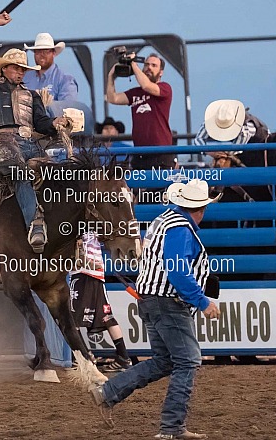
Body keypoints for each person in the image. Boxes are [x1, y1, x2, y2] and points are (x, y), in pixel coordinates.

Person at [88, 178, 221, 439]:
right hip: (167, 303)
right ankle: (171, 427)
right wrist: (202, 301)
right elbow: (177, 271)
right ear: (202, 208)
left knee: (165, 360)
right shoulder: (181, 228)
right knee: (188, 360)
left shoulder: (164, 220)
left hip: (150, 299)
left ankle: (107, 392)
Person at [0, 11, 70, 253]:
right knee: (19, 169)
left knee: (57, 172)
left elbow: (41, 123)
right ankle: (35, 224)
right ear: (4, 69)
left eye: (23, 69)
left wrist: (55, 123)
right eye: (16, 68)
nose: (20, 72)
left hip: (30, 144)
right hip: (5, 144)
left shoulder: (31, 95)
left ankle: (69, 230)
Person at [69, 232, 132, 372]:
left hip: (82, 270)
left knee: (70, 317)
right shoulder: (95, 222)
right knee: (107, 317)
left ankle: (84, 357)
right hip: (96, 270)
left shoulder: (79, 222)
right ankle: (123, 357)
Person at [106, 53, 174, 170]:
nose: (149, 67)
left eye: (154, 65)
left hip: (161, 152)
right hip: (140, 152)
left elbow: (146, 86)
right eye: (146, 64)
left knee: (161, 182)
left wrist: (133, 64)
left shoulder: (165, 88)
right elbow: (113, 98)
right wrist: (111, 76)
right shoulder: (136, 92)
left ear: (161, 72)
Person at [194, 99, 269, 167]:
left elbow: (237, 148)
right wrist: (209, 151)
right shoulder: (209, 122)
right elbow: (198, 140)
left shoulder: (246, 128)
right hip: (237, 151)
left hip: (260, 153)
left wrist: (220, 155)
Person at [23, 32, 78, 102]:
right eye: (38, 51)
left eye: (46, 51)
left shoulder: (65, 79)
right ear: (34, 53)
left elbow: (68, 106)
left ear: (53, 53)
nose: (42, 55)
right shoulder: (25, 77)